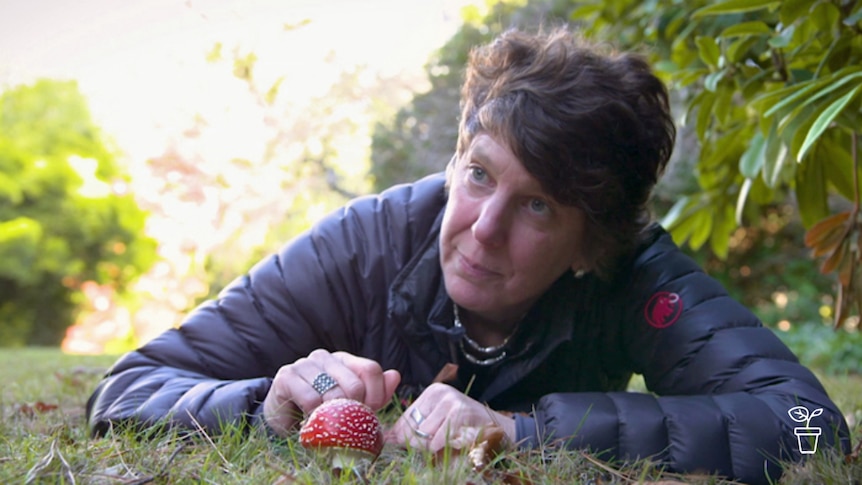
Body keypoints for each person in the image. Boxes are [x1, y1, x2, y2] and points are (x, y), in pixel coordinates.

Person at [87, 27, 850, 484]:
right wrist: (266, 405)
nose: (482, 229)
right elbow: (124, 394)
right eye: (479, 174)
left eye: (539, 204)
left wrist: (526, 433)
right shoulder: (365, 241)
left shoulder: (636, 272)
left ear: (592, 240)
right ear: (457, 159)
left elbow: (811, 428)